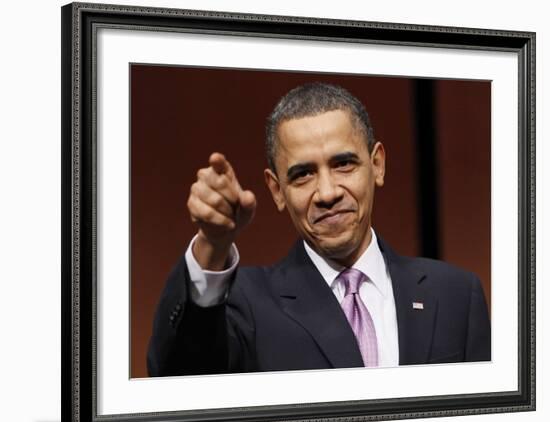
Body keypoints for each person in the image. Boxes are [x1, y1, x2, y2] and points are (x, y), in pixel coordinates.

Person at [147, 82, 491, 377]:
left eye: (343, 164)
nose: (327, 193)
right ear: (277, 191)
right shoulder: (244, 304)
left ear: (377, 165)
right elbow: (178, 378)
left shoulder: (456, 295)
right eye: (303, 174)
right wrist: (213, 243)